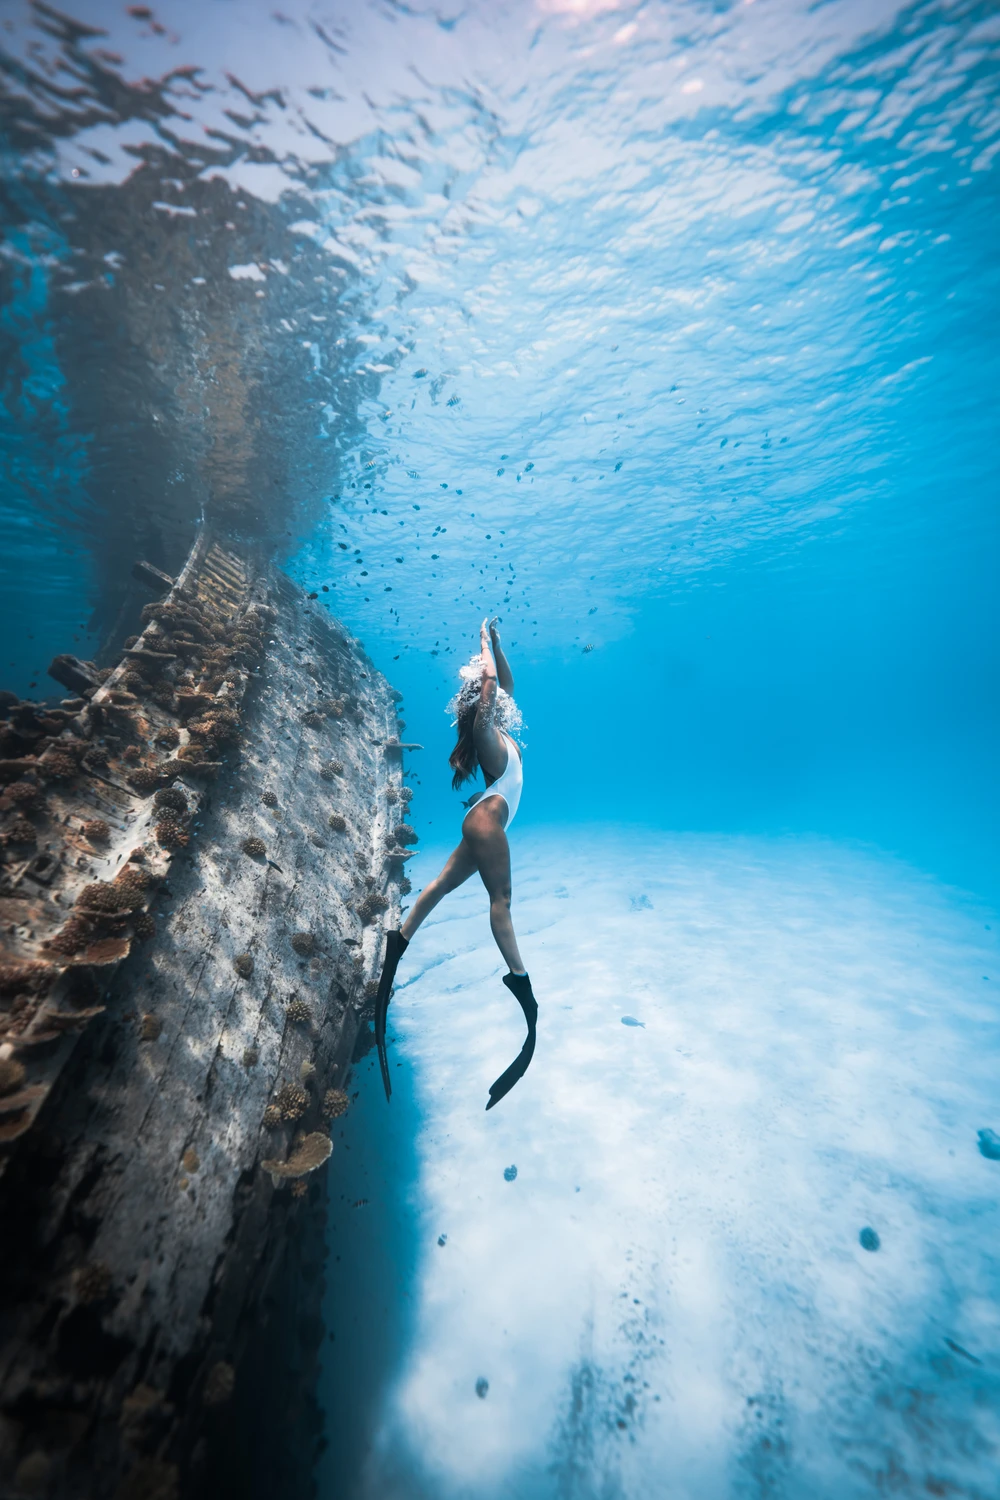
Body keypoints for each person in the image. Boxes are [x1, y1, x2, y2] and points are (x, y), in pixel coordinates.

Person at [374, 616, 537, 1110]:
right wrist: (483, 642)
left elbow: (501, 684)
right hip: (487, 821)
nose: (496, 696)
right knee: (501, 902)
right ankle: (523, 988)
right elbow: (490, 684)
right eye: (487, 695)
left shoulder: (495, 727)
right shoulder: (486, 730)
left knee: (443, 883)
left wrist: (500, 646)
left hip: (483, 820)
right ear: (480, 705)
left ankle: (396, 944)